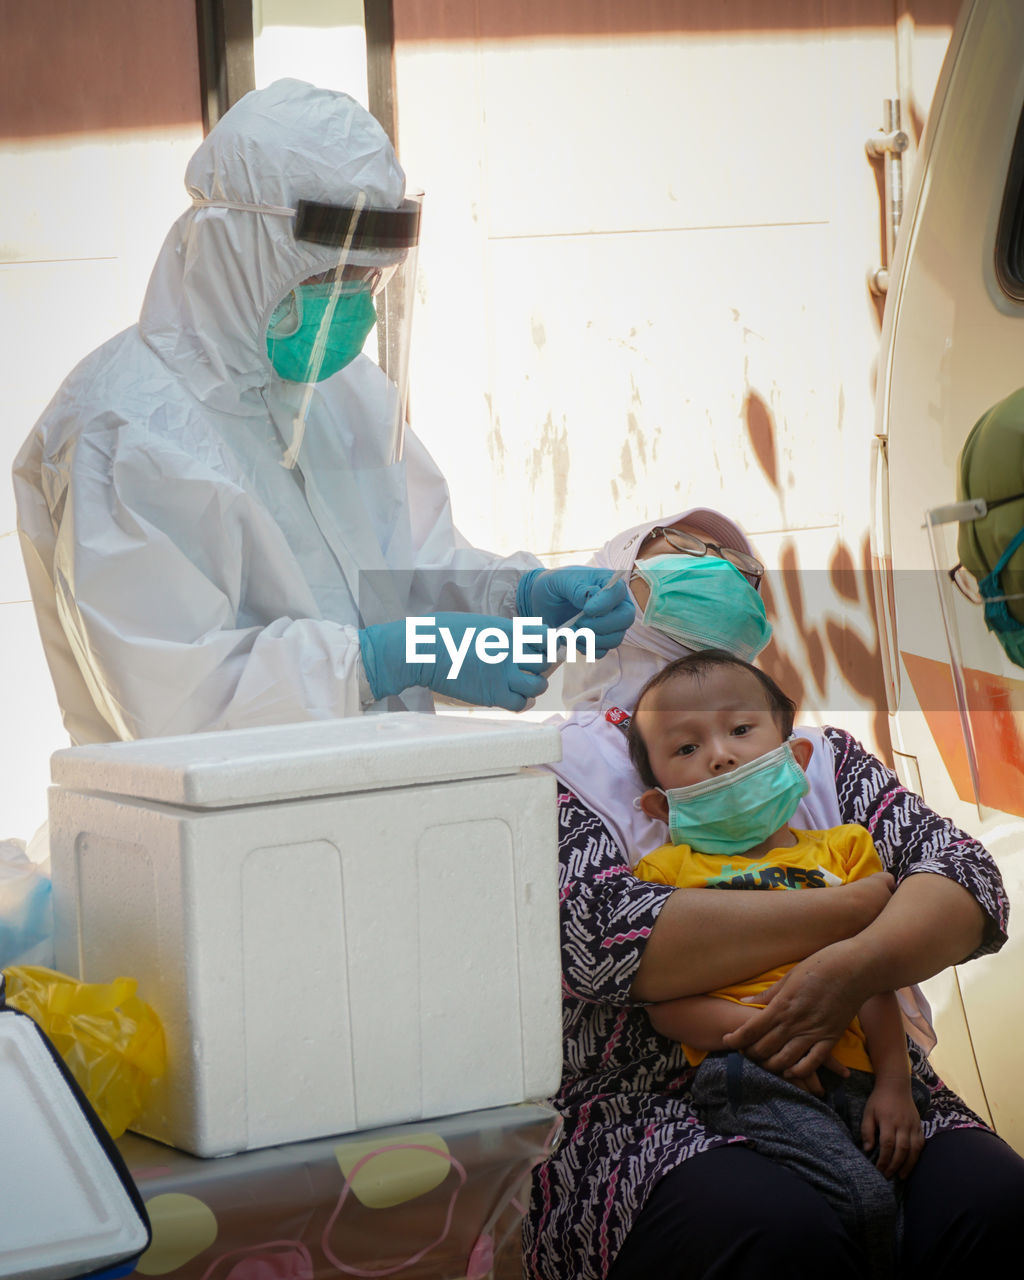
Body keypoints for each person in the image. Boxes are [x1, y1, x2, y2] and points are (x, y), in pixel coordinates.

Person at [12, 79, 632, 746]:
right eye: (325, 276)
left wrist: (517, 600)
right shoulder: (122, 427)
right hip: (216, 837)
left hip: (376, 801)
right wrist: (383, 660)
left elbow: (403, 574)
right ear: (239, 255)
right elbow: (178, 702)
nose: (354, 304)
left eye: (367, 277)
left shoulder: (345, 394)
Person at [522, 508, 1023, 1280]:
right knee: (776, 1233)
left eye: (736, 562)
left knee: (991, 1204)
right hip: (642, 1105)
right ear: (616, 584)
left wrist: (850, 975)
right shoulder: (554, 770)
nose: (720, 567)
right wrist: (852, 910)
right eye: (687, 553)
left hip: (862, 1066)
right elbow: (608, 944)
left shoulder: (819, 759)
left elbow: (967, 884)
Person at [629, 650, 930, 1275]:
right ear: (660, 807)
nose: (719, 755)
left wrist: (896, 1085)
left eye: (741, 729)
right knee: (864, 1199)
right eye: (686, 749)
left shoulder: (846, 851)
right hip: (749, 1073)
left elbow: (872, 977)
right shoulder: (666, 875)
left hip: (858, 1070)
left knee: (905, 1191)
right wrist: (774, 1029)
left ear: (795, 757)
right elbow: (666, 1010)